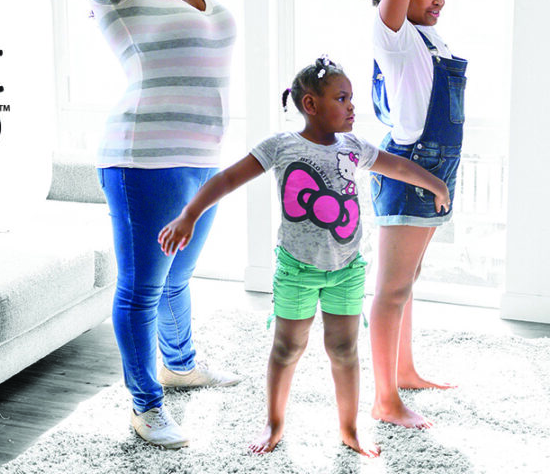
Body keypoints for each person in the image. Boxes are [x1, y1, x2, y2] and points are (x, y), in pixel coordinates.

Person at [41, 0, 309, 449]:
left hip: (199, 158)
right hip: (142, 162)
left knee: (179, 275)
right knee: (141, 287)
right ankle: (143, 402)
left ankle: (181, 366)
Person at [158, 58, 450, 456]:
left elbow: (396, 165)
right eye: (342, 98)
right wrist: (189, 215)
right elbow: (227, 177)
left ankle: (350, 428)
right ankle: (273, 424)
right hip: (296, 270)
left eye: (352, 98)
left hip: (347, 270)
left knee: (344, 351)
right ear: (310, 105)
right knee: (287, 348)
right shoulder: (282, 146)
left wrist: (435, 182)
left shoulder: (354, 147)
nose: (351, 107)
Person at [365, 0, 475, 429]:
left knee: (407, 286)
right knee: (390, 290)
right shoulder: (396, 40)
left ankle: (403, 372)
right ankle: (385, 398)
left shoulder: (429, 35)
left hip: (435, 172)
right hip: (410, 177)